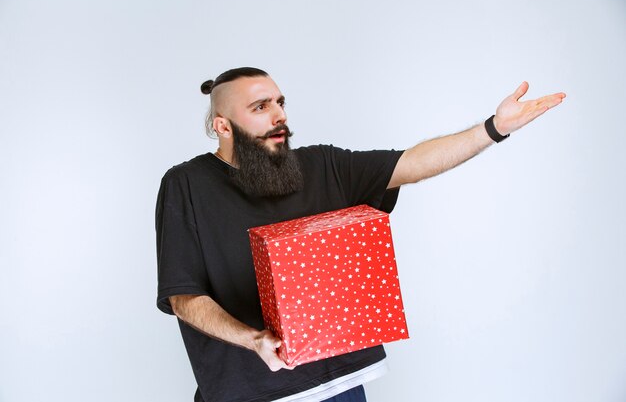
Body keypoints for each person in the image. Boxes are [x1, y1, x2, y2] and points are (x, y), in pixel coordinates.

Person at [155, 67, 565, 402]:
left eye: (280, 102)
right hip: (250, 393)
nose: (279, 115)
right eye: (261, 107)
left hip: (342, 385)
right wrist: (255, 340)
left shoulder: (322, 164)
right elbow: (184, 297)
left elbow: (412, 163)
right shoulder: (186, 185)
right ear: (223, 126)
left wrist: (494, 127)